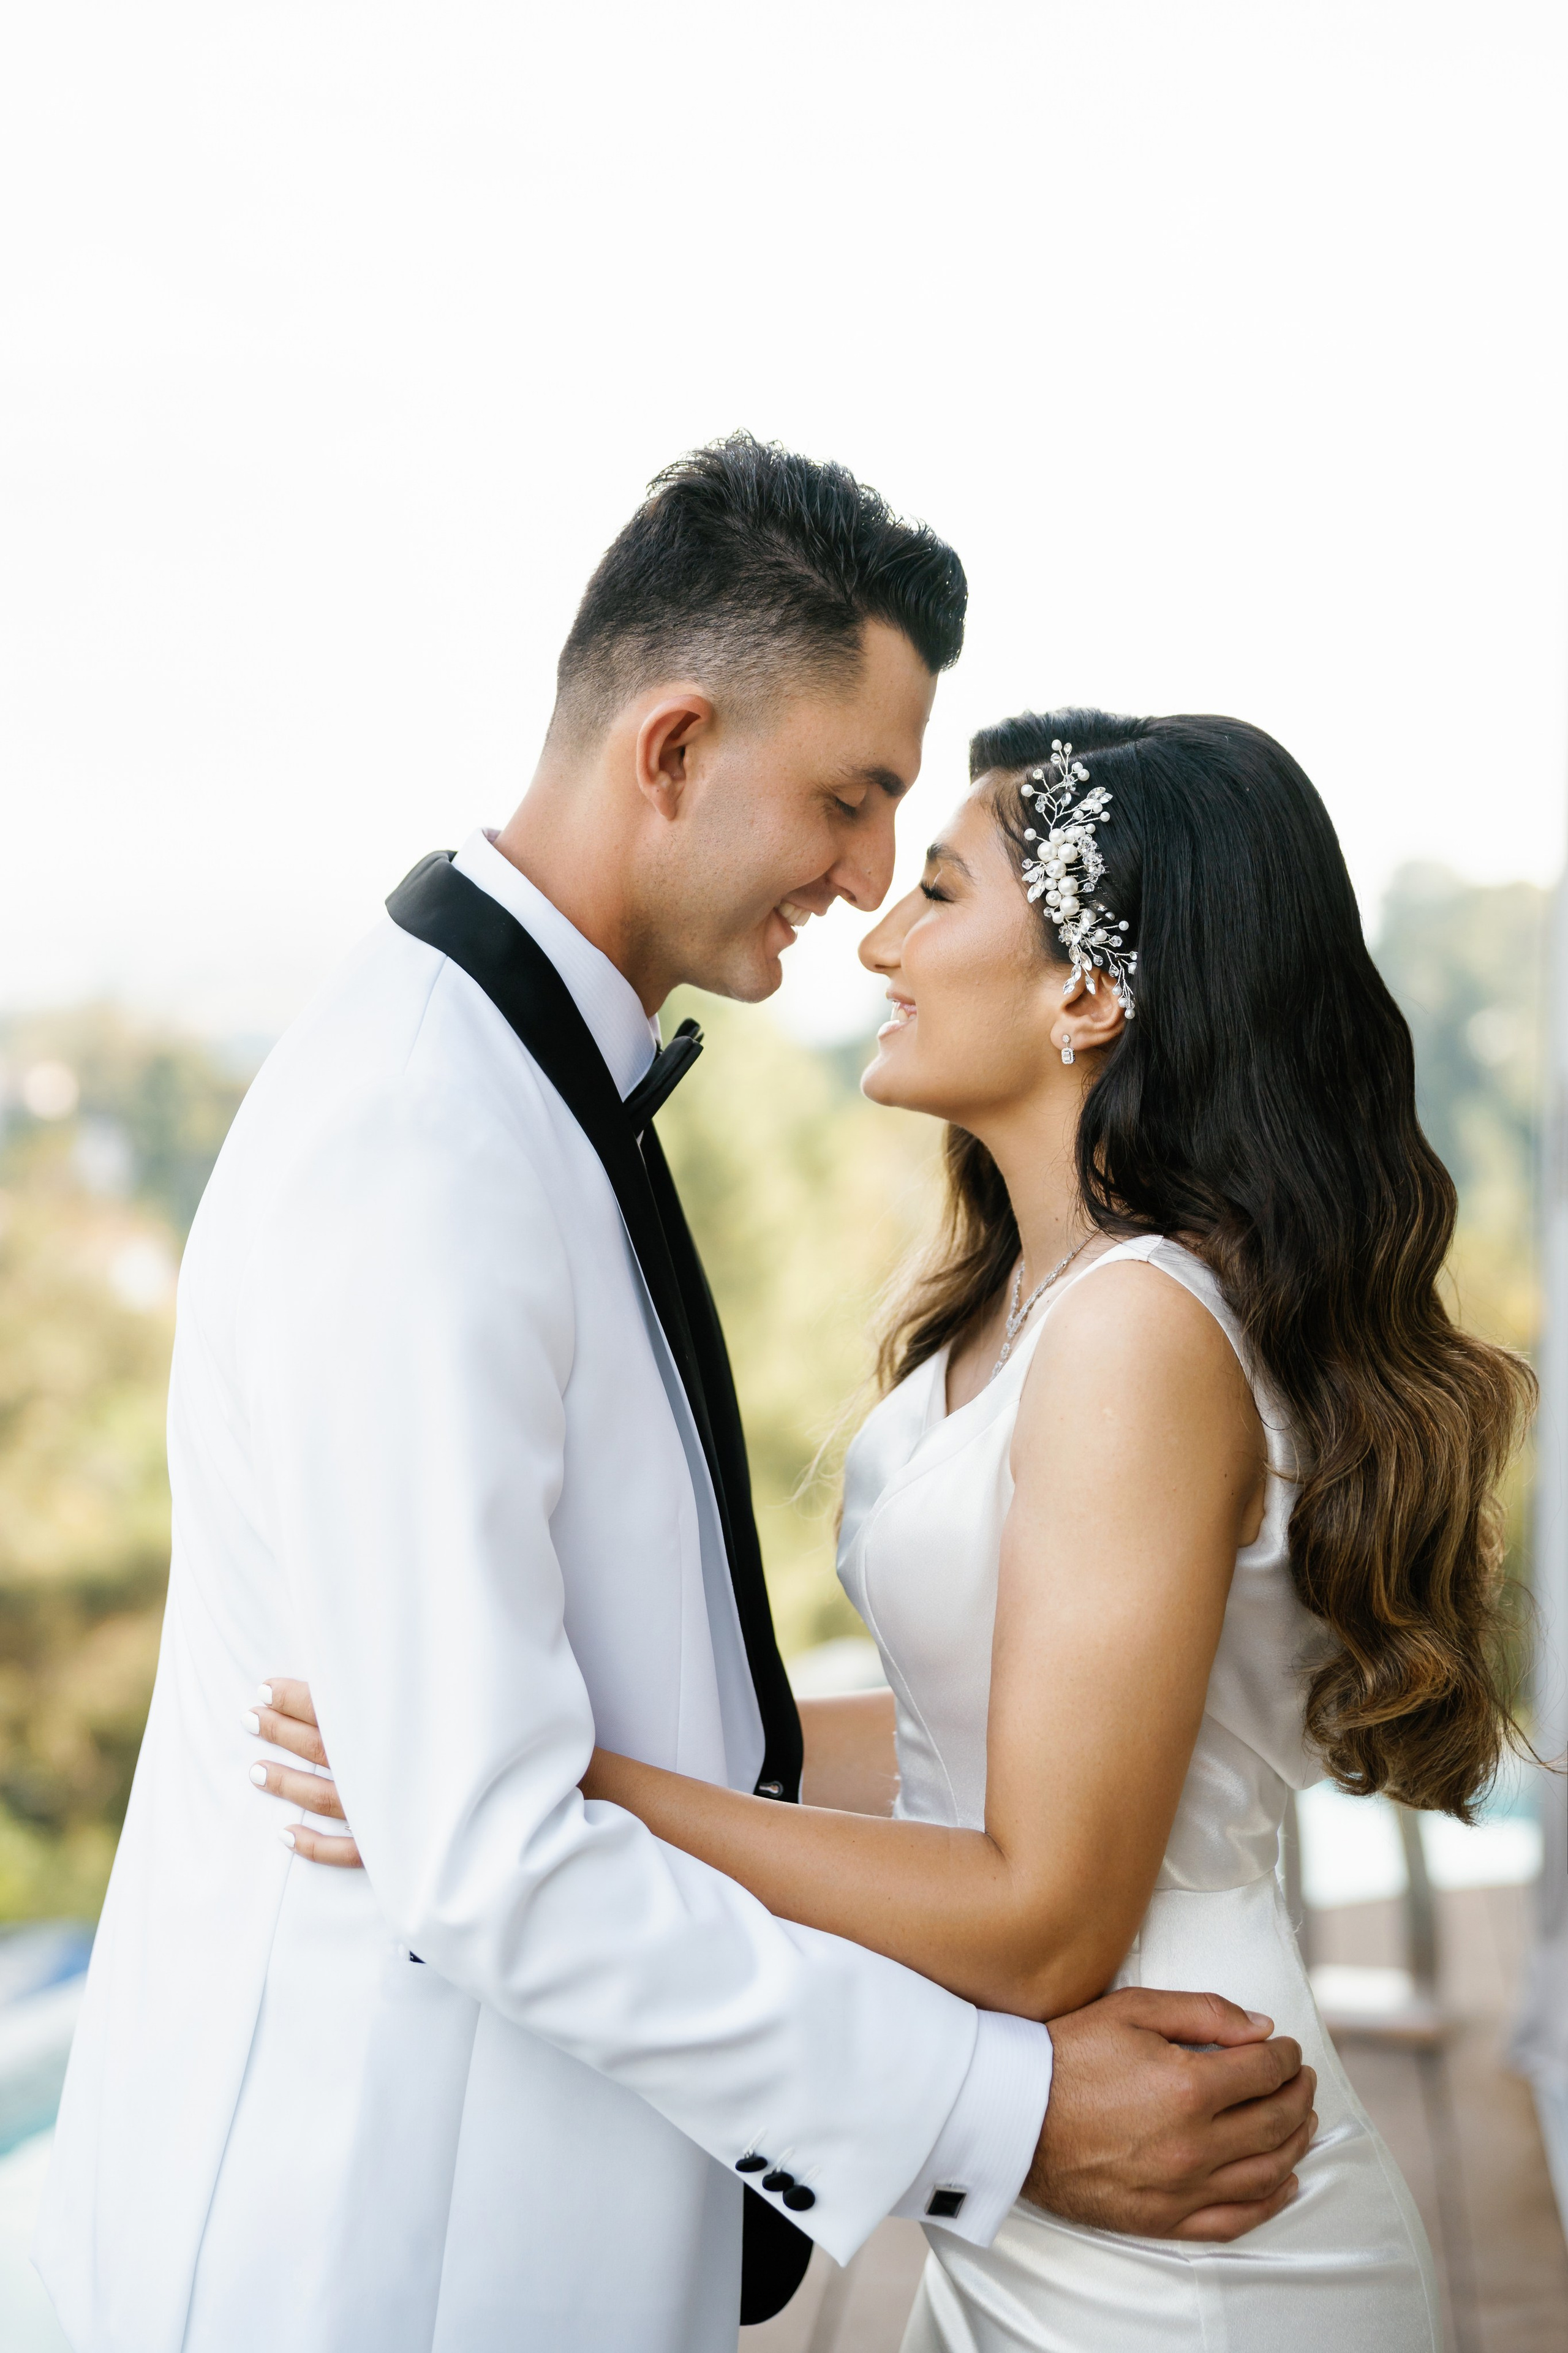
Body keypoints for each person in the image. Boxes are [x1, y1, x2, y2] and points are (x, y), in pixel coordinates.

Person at [37, 445, 1316, 2353]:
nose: (873, 877)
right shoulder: (422, 1139)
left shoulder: (514, 1091)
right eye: (854, 796)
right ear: (673, 748)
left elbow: (609, 1740)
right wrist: (1005, 2113)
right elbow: (487, 1848)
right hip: (373, 2255)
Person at [256, 707, 1529, 2348]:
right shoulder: (1034, 1300)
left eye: (935, 889)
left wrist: (537, 1774)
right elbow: (950, 1743)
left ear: (1089, 993)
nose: (878, 933)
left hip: (1188, 2181)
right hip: (1060, 2164)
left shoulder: (1141, 1333)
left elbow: (1043, 1914)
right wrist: (546, 1745)